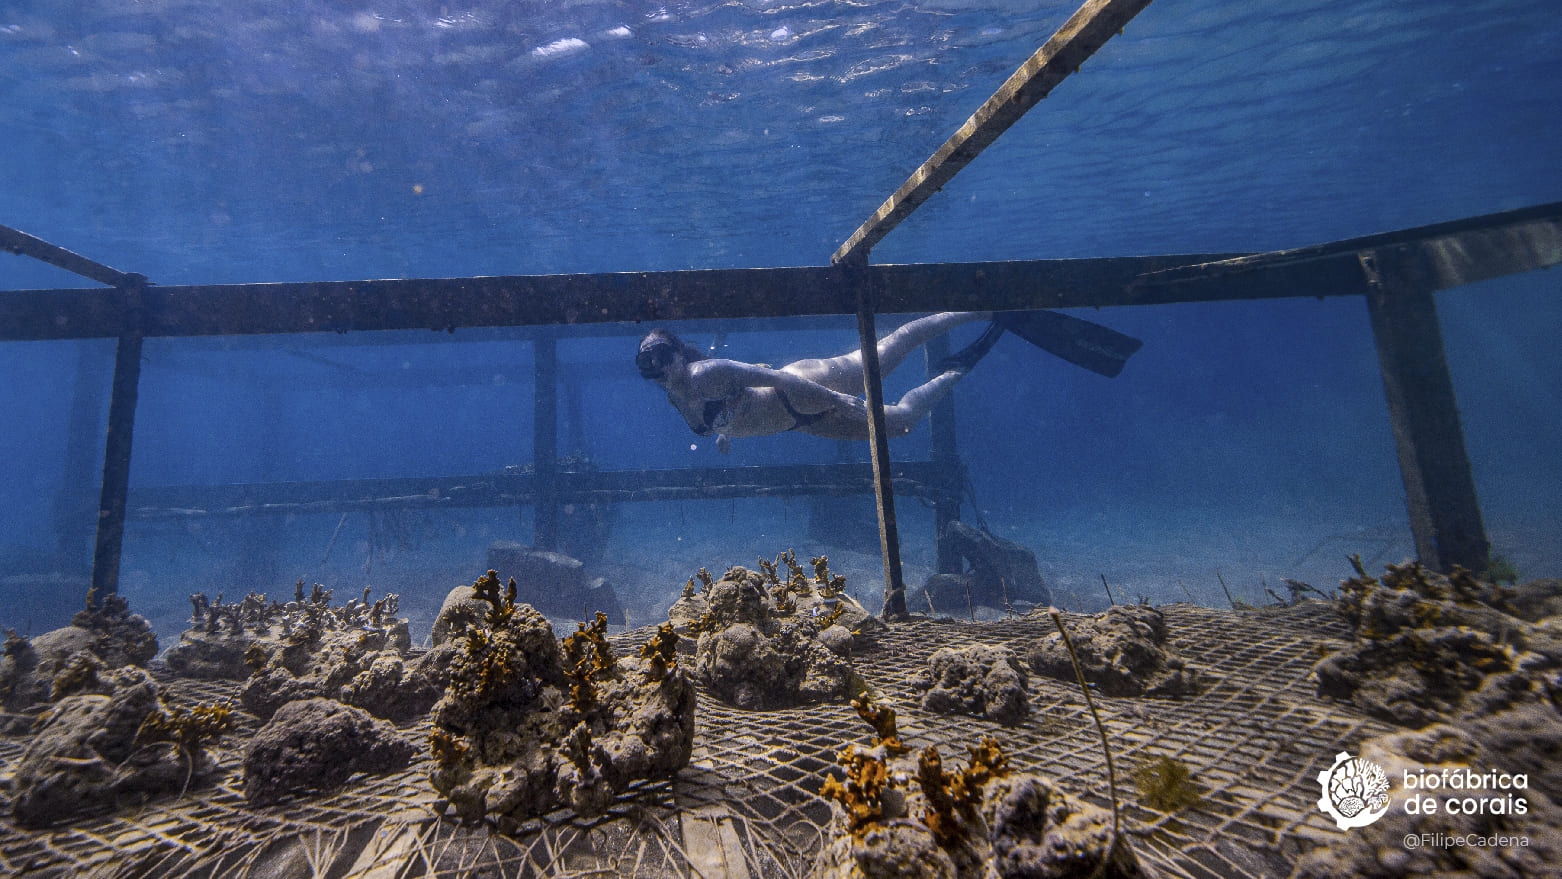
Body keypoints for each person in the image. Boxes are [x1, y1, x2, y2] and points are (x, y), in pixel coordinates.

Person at [637, 311, 1008, 452]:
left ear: (680, 355)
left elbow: (772, 376)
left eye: (664, 357)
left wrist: (837, 398)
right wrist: (724, 432)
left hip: (800, 389)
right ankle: (957, 369)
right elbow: (732, 406)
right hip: (798, 423)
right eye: (647, 364)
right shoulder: (675, 397)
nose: (659, 369)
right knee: (902, 425)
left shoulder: (707, 374)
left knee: (888, 355)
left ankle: (981, 310)